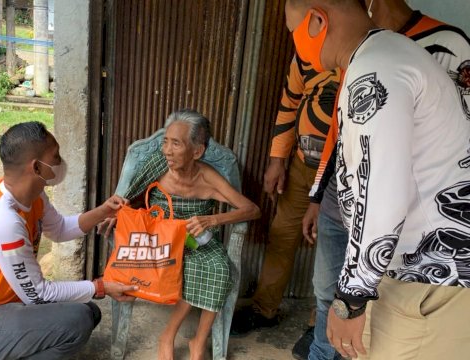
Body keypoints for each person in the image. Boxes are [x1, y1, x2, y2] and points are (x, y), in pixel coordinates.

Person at [285, 0, 470, 359]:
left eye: (294, 30)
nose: (297, 45)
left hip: (427, 282)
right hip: (425, 272)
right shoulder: (387, 53)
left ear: (317, 21)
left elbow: (380, 191)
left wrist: (350, 300)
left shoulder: (375, 70)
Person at [0, 121, 137, 360]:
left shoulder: (32, 194)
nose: (60, 162)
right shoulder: (4, 222)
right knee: (77, 321)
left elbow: (60, 229)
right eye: (55, 156)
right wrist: (101, 286)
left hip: (3, 306)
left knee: (89, 312)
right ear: (36, 167)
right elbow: (38, 294)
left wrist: (103, 211)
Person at [100, 109, 260, 360]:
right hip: (158, 239)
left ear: (197, 151)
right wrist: (116, 215)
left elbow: (252, 209)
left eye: (176, 143)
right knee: (186, 265)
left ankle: (199, 340)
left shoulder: (208, 177)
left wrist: (213, 219)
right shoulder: (157, 167)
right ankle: (168, 336)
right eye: (165, 141)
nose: (167, 150)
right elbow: (128, 198)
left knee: (219, 268)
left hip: (193, 240)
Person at [229, 47, 340, 336]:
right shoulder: (306, 51)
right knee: (282, 234)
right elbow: (290, 104)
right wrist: (278, 160)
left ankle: (325, 321)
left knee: (335, 243)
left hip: (344, 173)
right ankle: (264, 309)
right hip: (303, 166)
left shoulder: (364, 54)